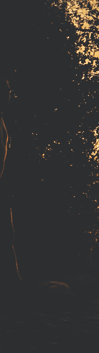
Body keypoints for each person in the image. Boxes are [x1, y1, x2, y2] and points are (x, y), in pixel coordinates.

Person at [1, 77, 21, 292]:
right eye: (5, 91)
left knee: (7, 235)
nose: (8, 96)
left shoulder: (3, 120)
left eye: (8, 92)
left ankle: (13, 283)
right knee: (5, 234)